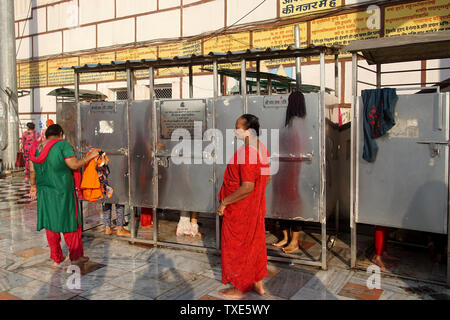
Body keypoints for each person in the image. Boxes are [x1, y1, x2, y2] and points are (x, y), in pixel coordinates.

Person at [217, 114, 271, 299]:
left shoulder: (248, 153)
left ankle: (240, 287)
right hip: (255, 206)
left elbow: (247, 186)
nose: (234, 130)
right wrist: (256, 198)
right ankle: (258, 284)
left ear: (249, 131)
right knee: (254, 244)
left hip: (241, 209)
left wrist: (225, 202)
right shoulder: (261, 148)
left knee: (238, 247)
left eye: (237, 127)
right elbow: (267, 177)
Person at [29, 124, 99, 267]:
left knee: (51, 224)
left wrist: (33, 186)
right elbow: (73, 165)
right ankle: (75, 257)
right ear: (61, 133)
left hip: (44, 192)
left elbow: (32, 171)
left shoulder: (36, 148)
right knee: (71, 223)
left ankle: (56, 257)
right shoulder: (63, 145)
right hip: (62, 191)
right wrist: (89, 157)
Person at [272, 91, 307, 254]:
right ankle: (286, 238)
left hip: (289, 169)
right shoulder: (293, 123)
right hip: (284, 167)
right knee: (283, 202)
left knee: (291, 203)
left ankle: (294, 240)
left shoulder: (296, 123)